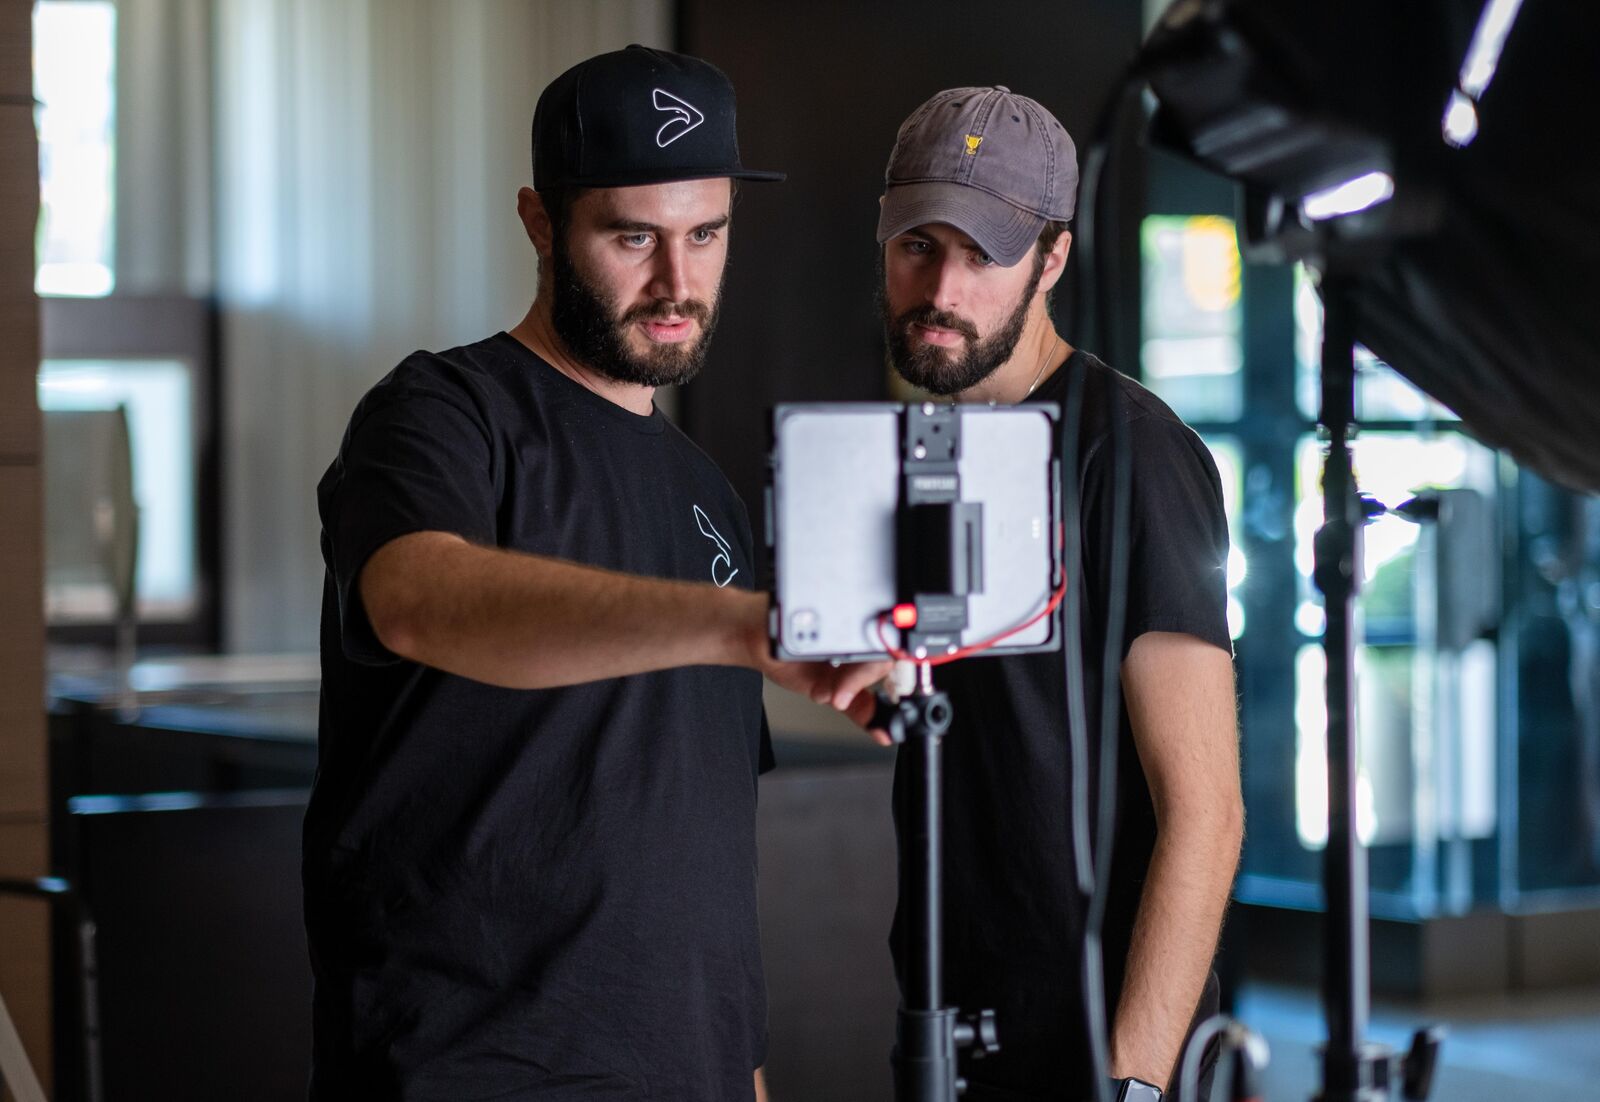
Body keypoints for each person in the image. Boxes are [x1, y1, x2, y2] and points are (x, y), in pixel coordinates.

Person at [305, 45, 881, 1100]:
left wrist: (744, 1075)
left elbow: (700, 852)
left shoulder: (707, 495)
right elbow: (419, 599)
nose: (678, 284)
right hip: (474, 1070)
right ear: (541, 223)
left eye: (705, 234)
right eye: (633, 237)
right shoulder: (441, 415)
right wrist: (740, 625)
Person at [873, 86, 1244, 1101]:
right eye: (918, 245)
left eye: (983, 255)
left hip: (1102, 1054)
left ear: (1052, 260)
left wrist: (1134, 1084)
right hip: (952, 1034)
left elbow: (1206, 812)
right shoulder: (918, 456)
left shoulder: (1133, 455)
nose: (941, 288)